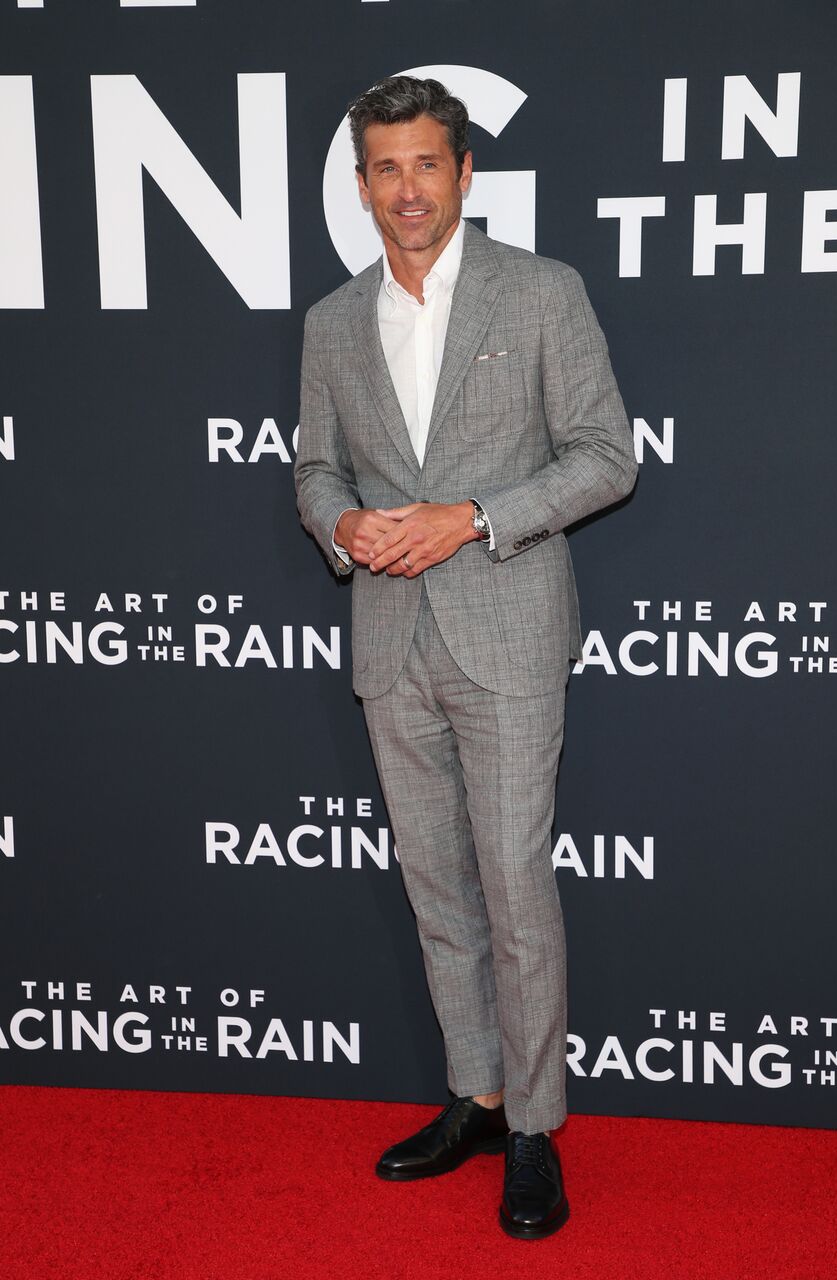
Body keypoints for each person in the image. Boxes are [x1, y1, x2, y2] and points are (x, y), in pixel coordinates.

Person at [294, 75, 637, 1240]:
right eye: (384, 168)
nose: (406, 189)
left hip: (506, 630)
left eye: (425, 165)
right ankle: (476, 1097)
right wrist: (340, 524)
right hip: (391, 644)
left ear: (463, 173)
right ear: (361, 185)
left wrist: (472, 516)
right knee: (439, 892)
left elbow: (605, 456)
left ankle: (536, 1126)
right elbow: (312, 469)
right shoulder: (334, 323)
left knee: (514, 888)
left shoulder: (541, 293)